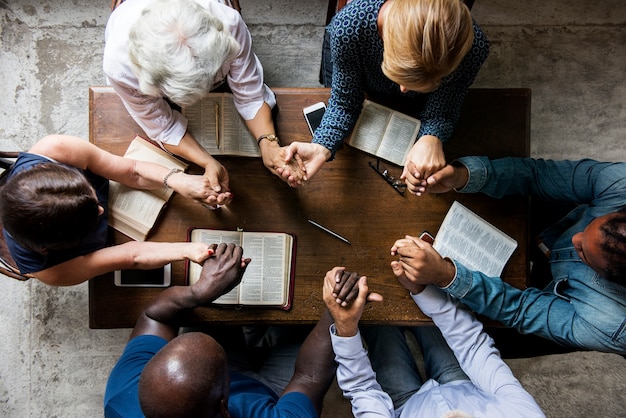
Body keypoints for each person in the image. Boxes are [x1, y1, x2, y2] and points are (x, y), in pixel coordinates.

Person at [392, 156, 626, 354]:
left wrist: (445, 275)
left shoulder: (611, 325)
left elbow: (520, 310)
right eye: (588, 226)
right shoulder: (621, 185)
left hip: (565, 304)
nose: (575, 239)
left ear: (609, 277)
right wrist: (463, 175)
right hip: (557, 220)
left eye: (584, 253)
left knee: (484, 340)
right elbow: (538, 174)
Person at [104, 242, 337, 418]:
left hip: (215, 392)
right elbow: (308, 377)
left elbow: (152, 316)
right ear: (224, 408)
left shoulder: (123, 397)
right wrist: (337, 310)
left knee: (208, 314)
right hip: (276, 392)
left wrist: (200, 292)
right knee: (309, 322)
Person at [279, 0, 489, 191]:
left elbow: (445, 106)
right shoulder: (349, 27)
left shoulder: (474, 48)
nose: (404, 90)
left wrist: (431, 137)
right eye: (400, 75)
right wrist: (322, 146)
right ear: (385, 38)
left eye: (425, 82)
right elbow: (344, 101)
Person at [104, 0, 306, 199]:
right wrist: (208, 162)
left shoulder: (228, 23)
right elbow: (163, 127)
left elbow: (250, 93)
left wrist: (269, 143)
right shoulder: (119, 68)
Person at [323, 266, 545, 417]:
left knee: (374, 309)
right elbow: (474, 346)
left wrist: (346, 327)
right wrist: (420, 289)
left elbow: (363, 389)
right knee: (422, 291)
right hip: (462, 383)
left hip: (404, 405)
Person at [0, 134, 221, 286]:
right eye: (90, 219)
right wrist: (187, 250)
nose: (100, 210)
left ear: (50, 168)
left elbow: (132, 170)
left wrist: (177, 180)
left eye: (91, 195)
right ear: (49, 248)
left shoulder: (54, 150)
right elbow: (131, 256)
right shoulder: (52, 271)